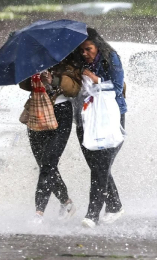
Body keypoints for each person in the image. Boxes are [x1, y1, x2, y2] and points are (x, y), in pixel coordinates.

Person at [19, 54, 82, 224]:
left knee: (48, 163)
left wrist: (53, 79)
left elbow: (75, 89)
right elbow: (22, 84)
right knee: (44, 165)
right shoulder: (34, 59)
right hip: (37, 111)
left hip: (61, 113)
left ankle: (39, 213)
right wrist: (32, 74)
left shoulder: (70, 59)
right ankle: (67, 202)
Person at [74, 27, 127, 228]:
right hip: (85, 118)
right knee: (97, 166)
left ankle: (92, 215)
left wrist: (97, 80)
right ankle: (114, 206)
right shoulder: (78, 64)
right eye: (81, 51)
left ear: (98, 45)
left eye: (88, 49)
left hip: (110, 117)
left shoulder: (110, 57)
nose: (85, 54)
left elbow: (118, 85)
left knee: (101, 166)